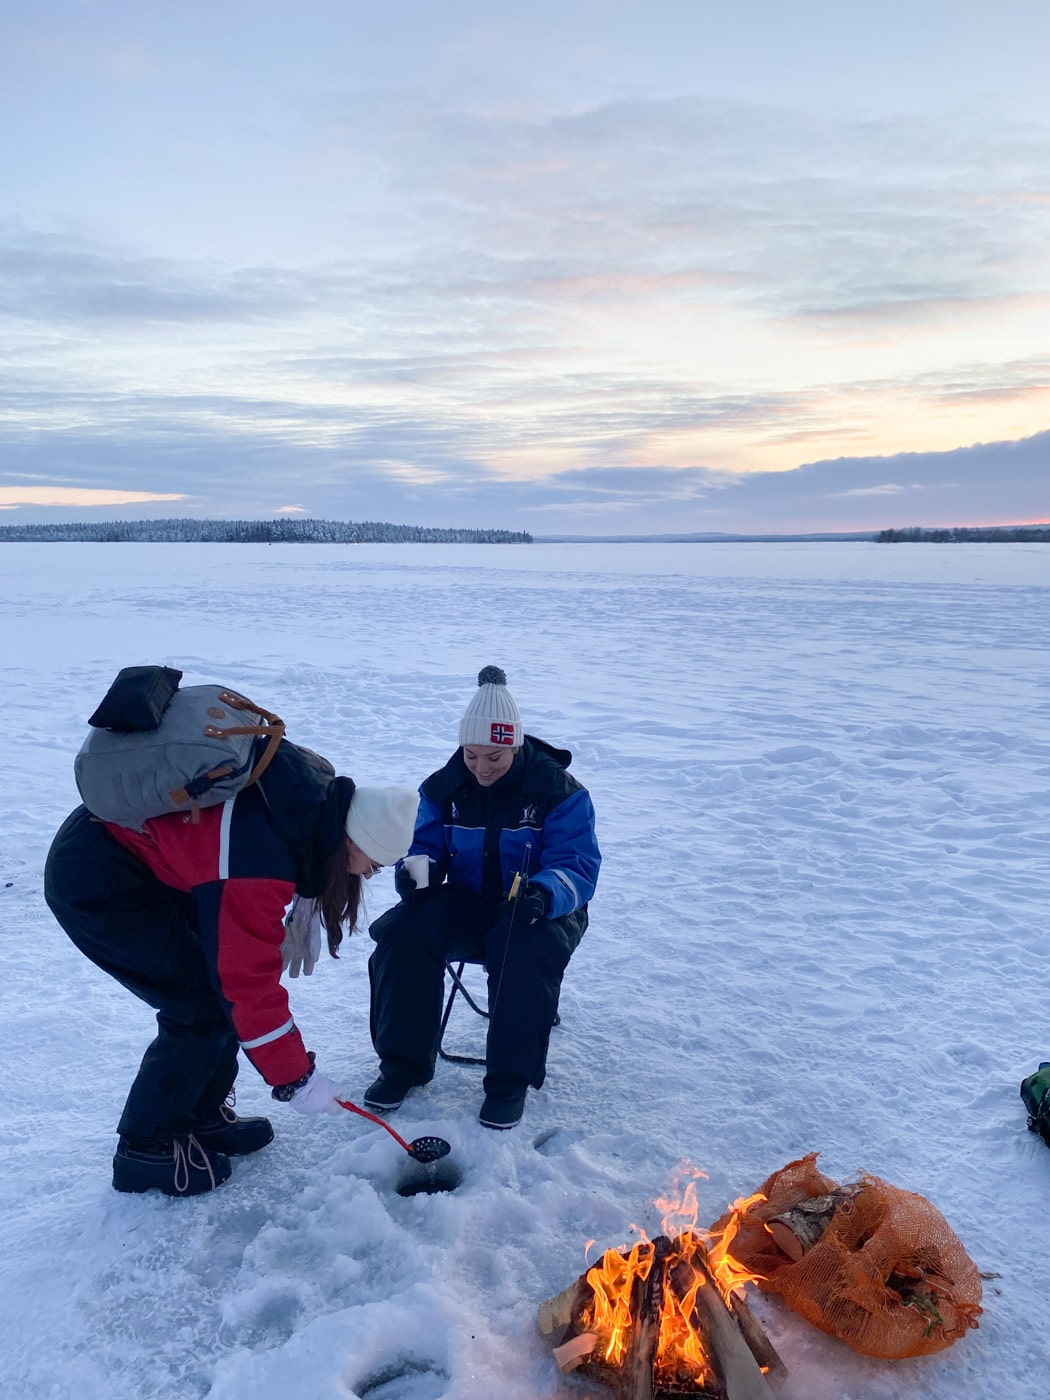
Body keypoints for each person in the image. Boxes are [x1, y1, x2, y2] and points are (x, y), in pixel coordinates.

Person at [44, 737, 418, 1197]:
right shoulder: (257, 861)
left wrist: (305, 900)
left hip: (157, 865)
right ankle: (144, 1148)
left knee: (211, 993)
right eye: (371, 864)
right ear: (351, 839)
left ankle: (198, 1115)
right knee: (199, 1003)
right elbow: (246, 984)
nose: (365, 874)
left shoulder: (319, 798)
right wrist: (295, 1078)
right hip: (98, 877)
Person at [365, 666, 601, 1130]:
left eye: (494, 755)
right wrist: (416, 873)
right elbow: (418, 846)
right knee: (402, 932)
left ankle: (509, 1082)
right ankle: (402, 1066)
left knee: (521, 943)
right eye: (471, 755)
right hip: (471, 899)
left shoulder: (559, 792)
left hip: (543, 908)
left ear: (514, 744)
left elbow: (578, 866)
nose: (481, 766)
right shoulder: (443, 787)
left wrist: (544, 893)